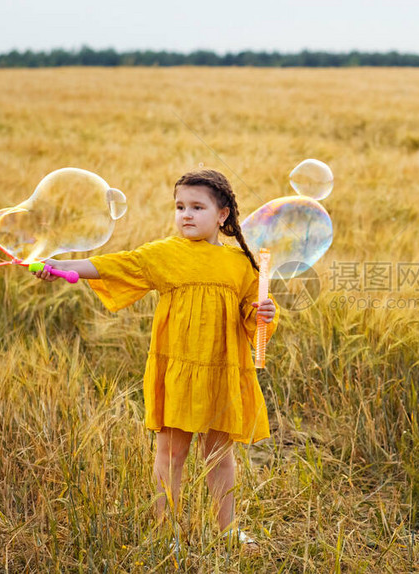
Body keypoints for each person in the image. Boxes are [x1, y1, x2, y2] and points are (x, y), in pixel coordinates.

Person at [34, 169, 278, 547]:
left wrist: (264, 314)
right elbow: (117, 264)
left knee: (219, 455)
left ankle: (227, 530)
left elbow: (253, 317)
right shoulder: (165, 253)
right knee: (171, 452)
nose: (186, 215)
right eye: (180, 206)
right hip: (177, 367)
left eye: (197, 207)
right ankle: (167, 533)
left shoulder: (242, 264)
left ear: (223, 215)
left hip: (222, 370)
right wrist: (65, 268)